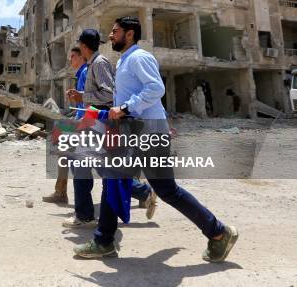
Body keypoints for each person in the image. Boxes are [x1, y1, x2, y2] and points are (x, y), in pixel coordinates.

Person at [73, 16, 238, 262]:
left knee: (167, 190)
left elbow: (156, 88)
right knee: (113, 179)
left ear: (129, 34)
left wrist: (126, 108)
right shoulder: (125, 61)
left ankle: (218, 232)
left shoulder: (140, 57)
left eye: (115, 31)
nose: (110, 35)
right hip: (136, 133)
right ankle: (104, 240)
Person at [62, 30, 156, 228]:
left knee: (86, 166)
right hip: (94, 124)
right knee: (101, 169)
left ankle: (86, 216)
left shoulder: (99, 63)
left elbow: (107, 95)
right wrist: (81, 96)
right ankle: (142, 192)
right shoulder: (93, 63)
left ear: (84, 46)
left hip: (100, 125)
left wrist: (83, 98)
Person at [42, 47, 87, 204]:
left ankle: (142, 191)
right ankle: (60, 192)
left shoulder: (86, 72)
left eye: (73, 56)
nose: (70, 60)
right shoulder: (81, 73)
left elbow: (91, 103)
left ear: (82, 56)